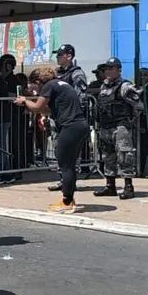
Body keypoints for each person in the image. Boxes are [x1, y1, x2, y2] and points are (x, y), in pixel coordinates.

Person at [14, 67, 90, 213]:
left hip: (70, 127)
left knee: (65, 165)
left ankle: (66, 202)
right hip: (80, 126)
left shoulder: (49, 86)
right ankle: (69, 198)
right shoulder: (60, 84)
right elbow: (47, 111)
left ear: (38, 81)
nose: (34, 90)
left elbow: (37, 108)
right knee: (70, 164)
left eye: (34, 85)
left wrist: (24, 100)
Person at [92, 57, 144, 199]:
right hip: (106, 126)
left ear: (118, 69)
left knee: (125, 156)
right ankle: (110, 186)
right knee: (108, 156)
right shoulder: (104, 86)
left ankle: (128, 186)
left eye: (111, 68)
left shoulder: (125, 87)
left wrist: (129, 121)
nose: (108, 71)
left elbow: (138, 106)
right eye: (106, 68)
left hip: (121, 126)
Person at [49, 44, 88, 192]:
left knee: (71, 151)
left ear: (69, 56)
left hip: (70, 119)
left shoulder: (76, 74)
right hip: (57, 118)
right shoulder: (56, 73)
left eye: (60, 55)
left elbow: (81, 97)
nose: (57, 57)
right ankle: (62, 180)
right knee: (58, 148)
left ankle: (70, 182)